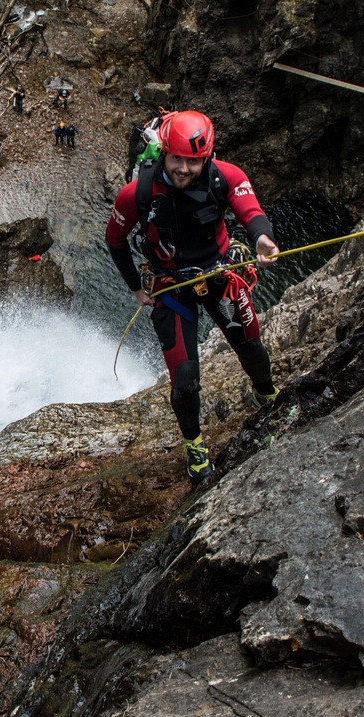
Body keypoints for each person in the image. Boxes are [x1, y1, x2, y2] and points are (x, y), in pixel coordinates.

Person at [104, 110, 281, 481]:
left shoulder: (225, 177)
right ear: (164, 153)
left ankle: (266, 394)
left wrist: (262, 238)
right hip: (172, 288)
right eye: (176, 158)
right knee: (185, 379)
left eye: (193, 161)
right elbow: (115, 240)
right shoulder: (138, 193)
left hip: (218, 275)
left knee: (251, 347)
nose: (183, 168)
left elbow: (250, 211)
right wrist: (135, 287)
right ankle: (194, 444)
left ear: (207, 159)